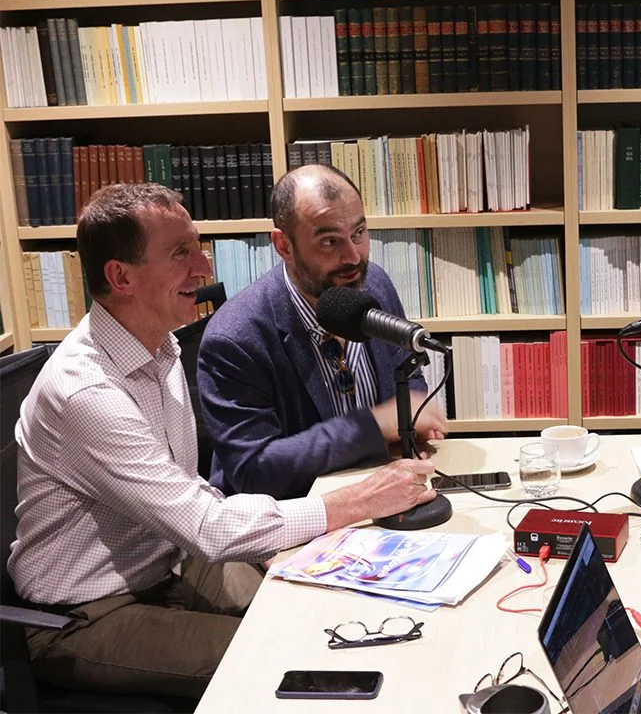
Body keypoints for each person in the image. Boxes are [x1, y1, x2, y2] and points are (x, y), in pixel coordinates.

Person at [8, 183, 437, 700]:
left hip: (174, 563)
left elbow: (185, 492)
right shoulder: (85, 391)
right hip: (86, 614)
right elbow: (205, 527)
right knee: (289, 657)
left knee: (326, 610)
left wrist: (275, 545)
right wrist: (357, 501)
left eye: (197, 245)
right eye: (180, 253)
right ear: (121, 277)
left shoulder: (159, 344)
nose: (204, 268)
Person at [198, 164, 447, 500]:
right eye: (330, 241)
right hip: (298, 518)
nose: (353, 256)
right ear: (284, 246)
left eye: (358, 233)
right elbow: (254, 472)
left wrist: (413, 416)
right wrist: (370, 427)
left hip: (383, 490)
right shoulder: (234, 339)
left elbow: (406, 371)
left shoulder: (373, 284)